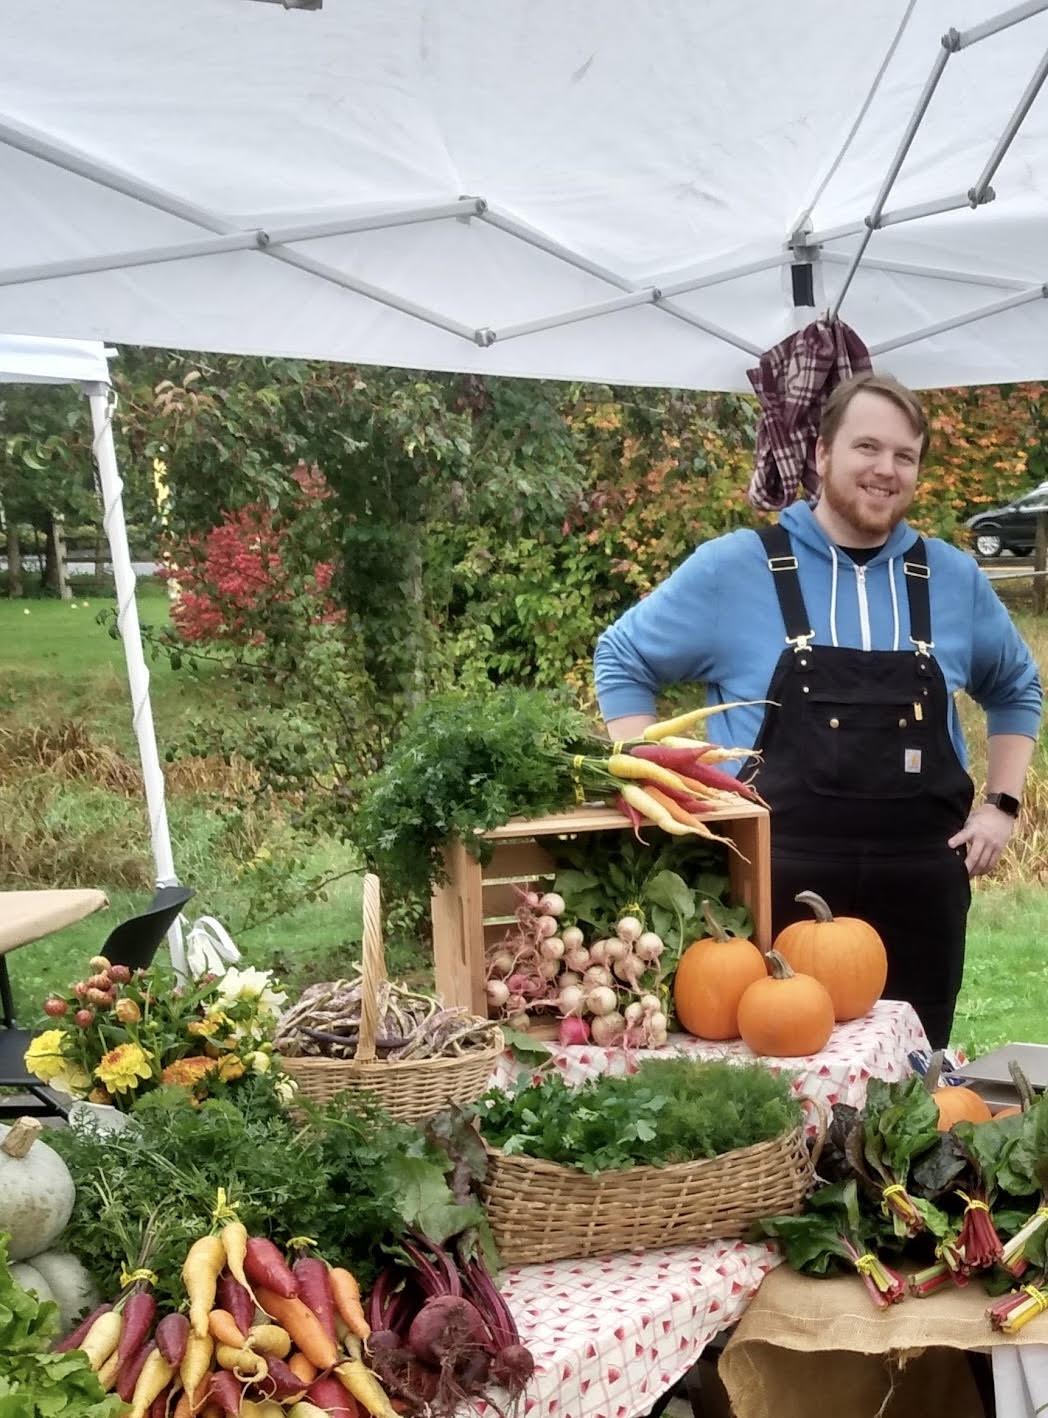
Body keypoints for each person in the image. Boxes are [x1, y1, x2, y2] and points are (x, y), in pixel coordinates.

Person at [594, 372, 1043, 1048]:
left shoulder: (952, 577)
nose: (886, 470)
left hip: (920, 897)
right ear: (822, 456)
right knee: (775, 1098)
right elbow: (622, 658)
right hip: (772, 887)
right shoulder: (733, 569)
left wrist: (1002, 806)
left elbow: (1016, 687)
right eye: (868, 447)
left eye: (905, 456)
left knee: (913, 1107)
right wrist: (660, 783)